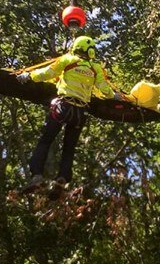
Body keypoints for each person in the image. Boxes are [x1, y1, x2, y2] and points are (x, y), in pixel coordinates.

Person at [18, 35, 121, 187]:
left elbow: (48, 73)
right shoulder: (96, 68)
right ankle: (63, 178)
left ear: (75, 48)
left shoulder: (68, 59)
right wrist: (115, 96)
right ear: (91, 52)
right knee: (69, 148)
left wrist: (29, 76)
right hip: (80, 114)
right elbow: (104, 88)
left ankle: (37, 175)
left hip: (63, 107)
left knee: (46, 140)